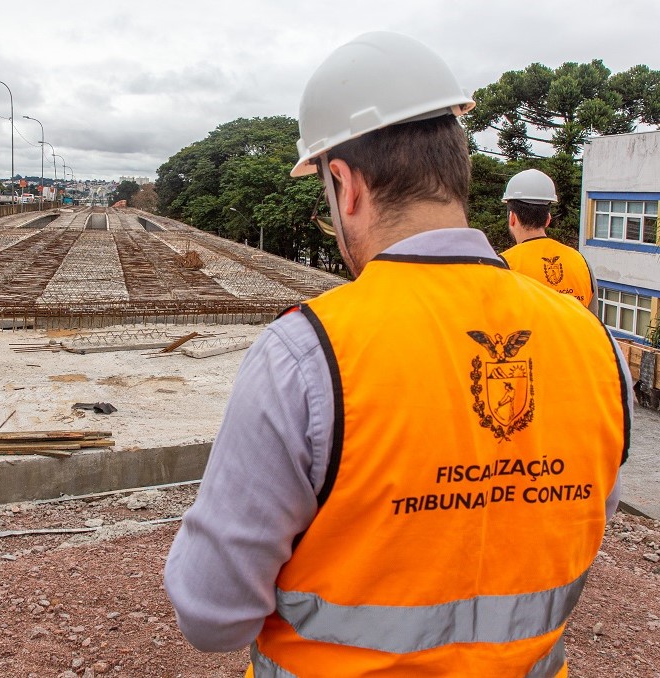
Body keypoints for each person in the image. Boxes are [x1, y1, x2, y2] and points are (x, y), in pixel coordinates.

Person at [164, 31, 631, 677]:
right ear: (457, 171)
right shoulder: (598, 350)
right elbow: (580, 529)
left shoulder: (306, 353)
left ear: (344, 184)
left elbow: (212, 615)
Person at [500, 169, 598, 312]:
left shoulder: (503, 265)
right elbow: (594, 323)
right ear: (548, 219)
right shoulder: (581, 262)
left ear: (512, 218)